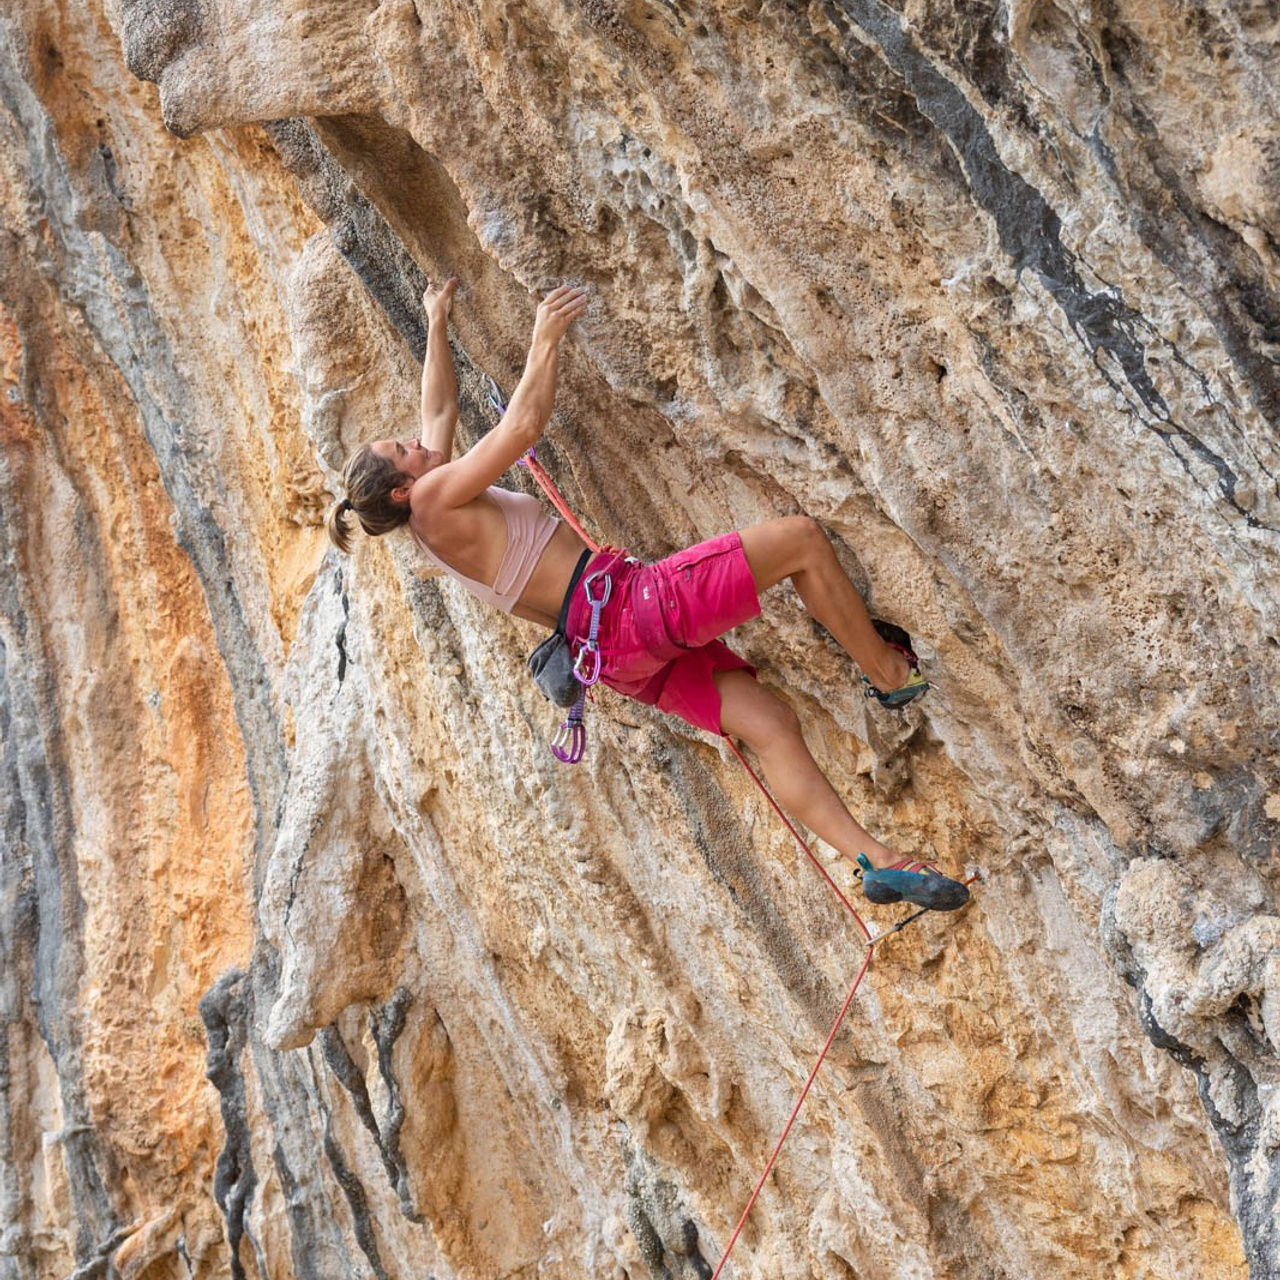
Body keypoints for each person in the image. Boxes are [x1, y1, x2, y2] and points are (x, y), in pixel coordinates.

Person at [327, 280, 968, 912]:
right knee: (800, 541)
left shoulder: (429, 524)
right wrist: (544, 341)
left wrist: (436, 321)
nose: (414, 442)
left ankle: (878, 860)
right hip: (631, 609)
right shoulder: (437, 499)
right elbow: (522, 426)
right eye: (400, 449)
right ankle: (889, 673)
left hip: (616, 661)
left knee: (769, 725)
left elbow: (437, 415)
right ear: (400, 493)